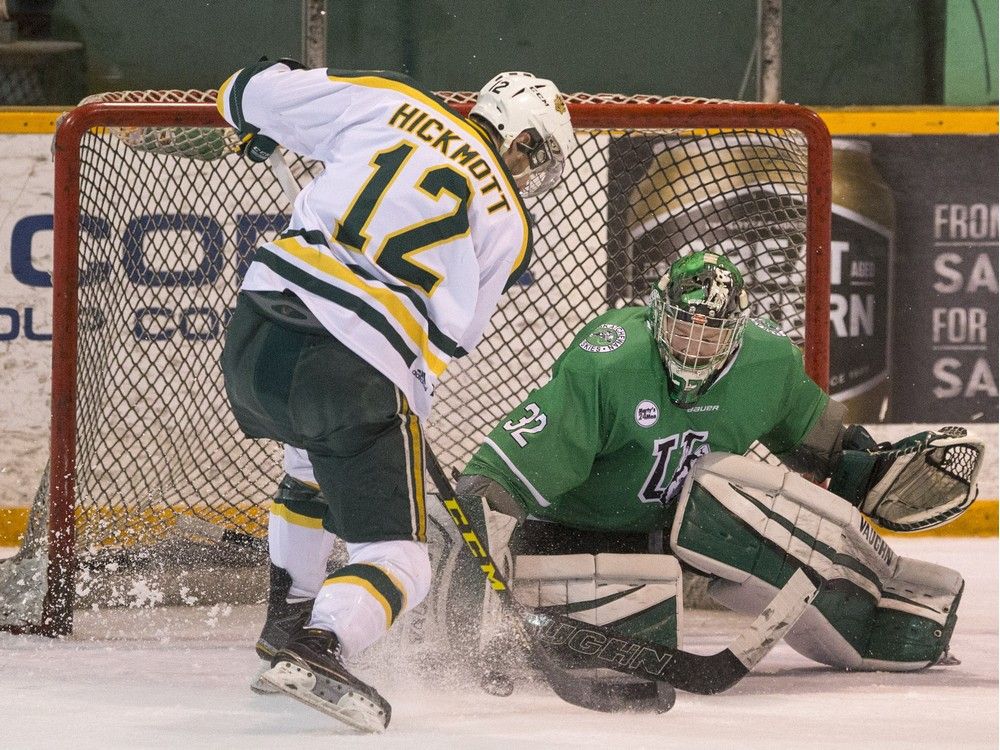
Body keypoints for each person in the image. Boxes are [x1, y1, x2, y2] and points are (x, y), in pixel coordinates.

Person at [452, 249, 983, 701]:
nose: (694, 347)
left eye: (712, 334)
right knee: (627, 634)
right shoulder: (608, 365)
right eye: (683, 328)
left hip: (673, 538)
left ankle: (875, 614)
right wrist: (477, 549)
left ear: (739, 331)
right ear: (657, 316)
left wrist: (866, 470)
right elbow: (499, 477)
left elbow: (828, 449)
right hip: (568, 532)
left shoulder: (768, 363)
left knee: (736, 491)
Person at [216, 62, 574, 732]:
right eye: (539, 155)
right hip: (351, 365)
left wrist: (251, 125)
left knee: (308, 462)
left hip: (254, 338)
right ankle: (320, 644)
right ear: (522, 141)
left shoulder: (391, 100)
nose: (533, 173)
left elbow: (245, 88)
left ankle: (285, 622)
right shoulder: (508, 223)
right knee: (402, 560)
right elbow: (449, 338)